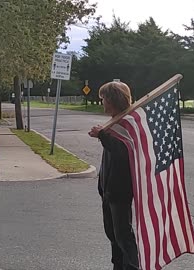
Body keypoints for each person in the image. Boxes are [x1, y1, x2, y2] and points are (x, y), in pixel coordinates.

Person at [88, 81, 139, 270]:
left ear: (112, 100)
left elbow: (123, 152)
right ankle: (118, 266)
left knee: (123, 235)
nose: (102, 103)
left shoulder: (127, 123)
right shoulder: (114, 122)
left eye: (103, 99)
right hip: (108, 190)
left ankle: (132, 267)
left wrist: (103, 135)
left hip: (120, 190)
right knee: (112, 234)